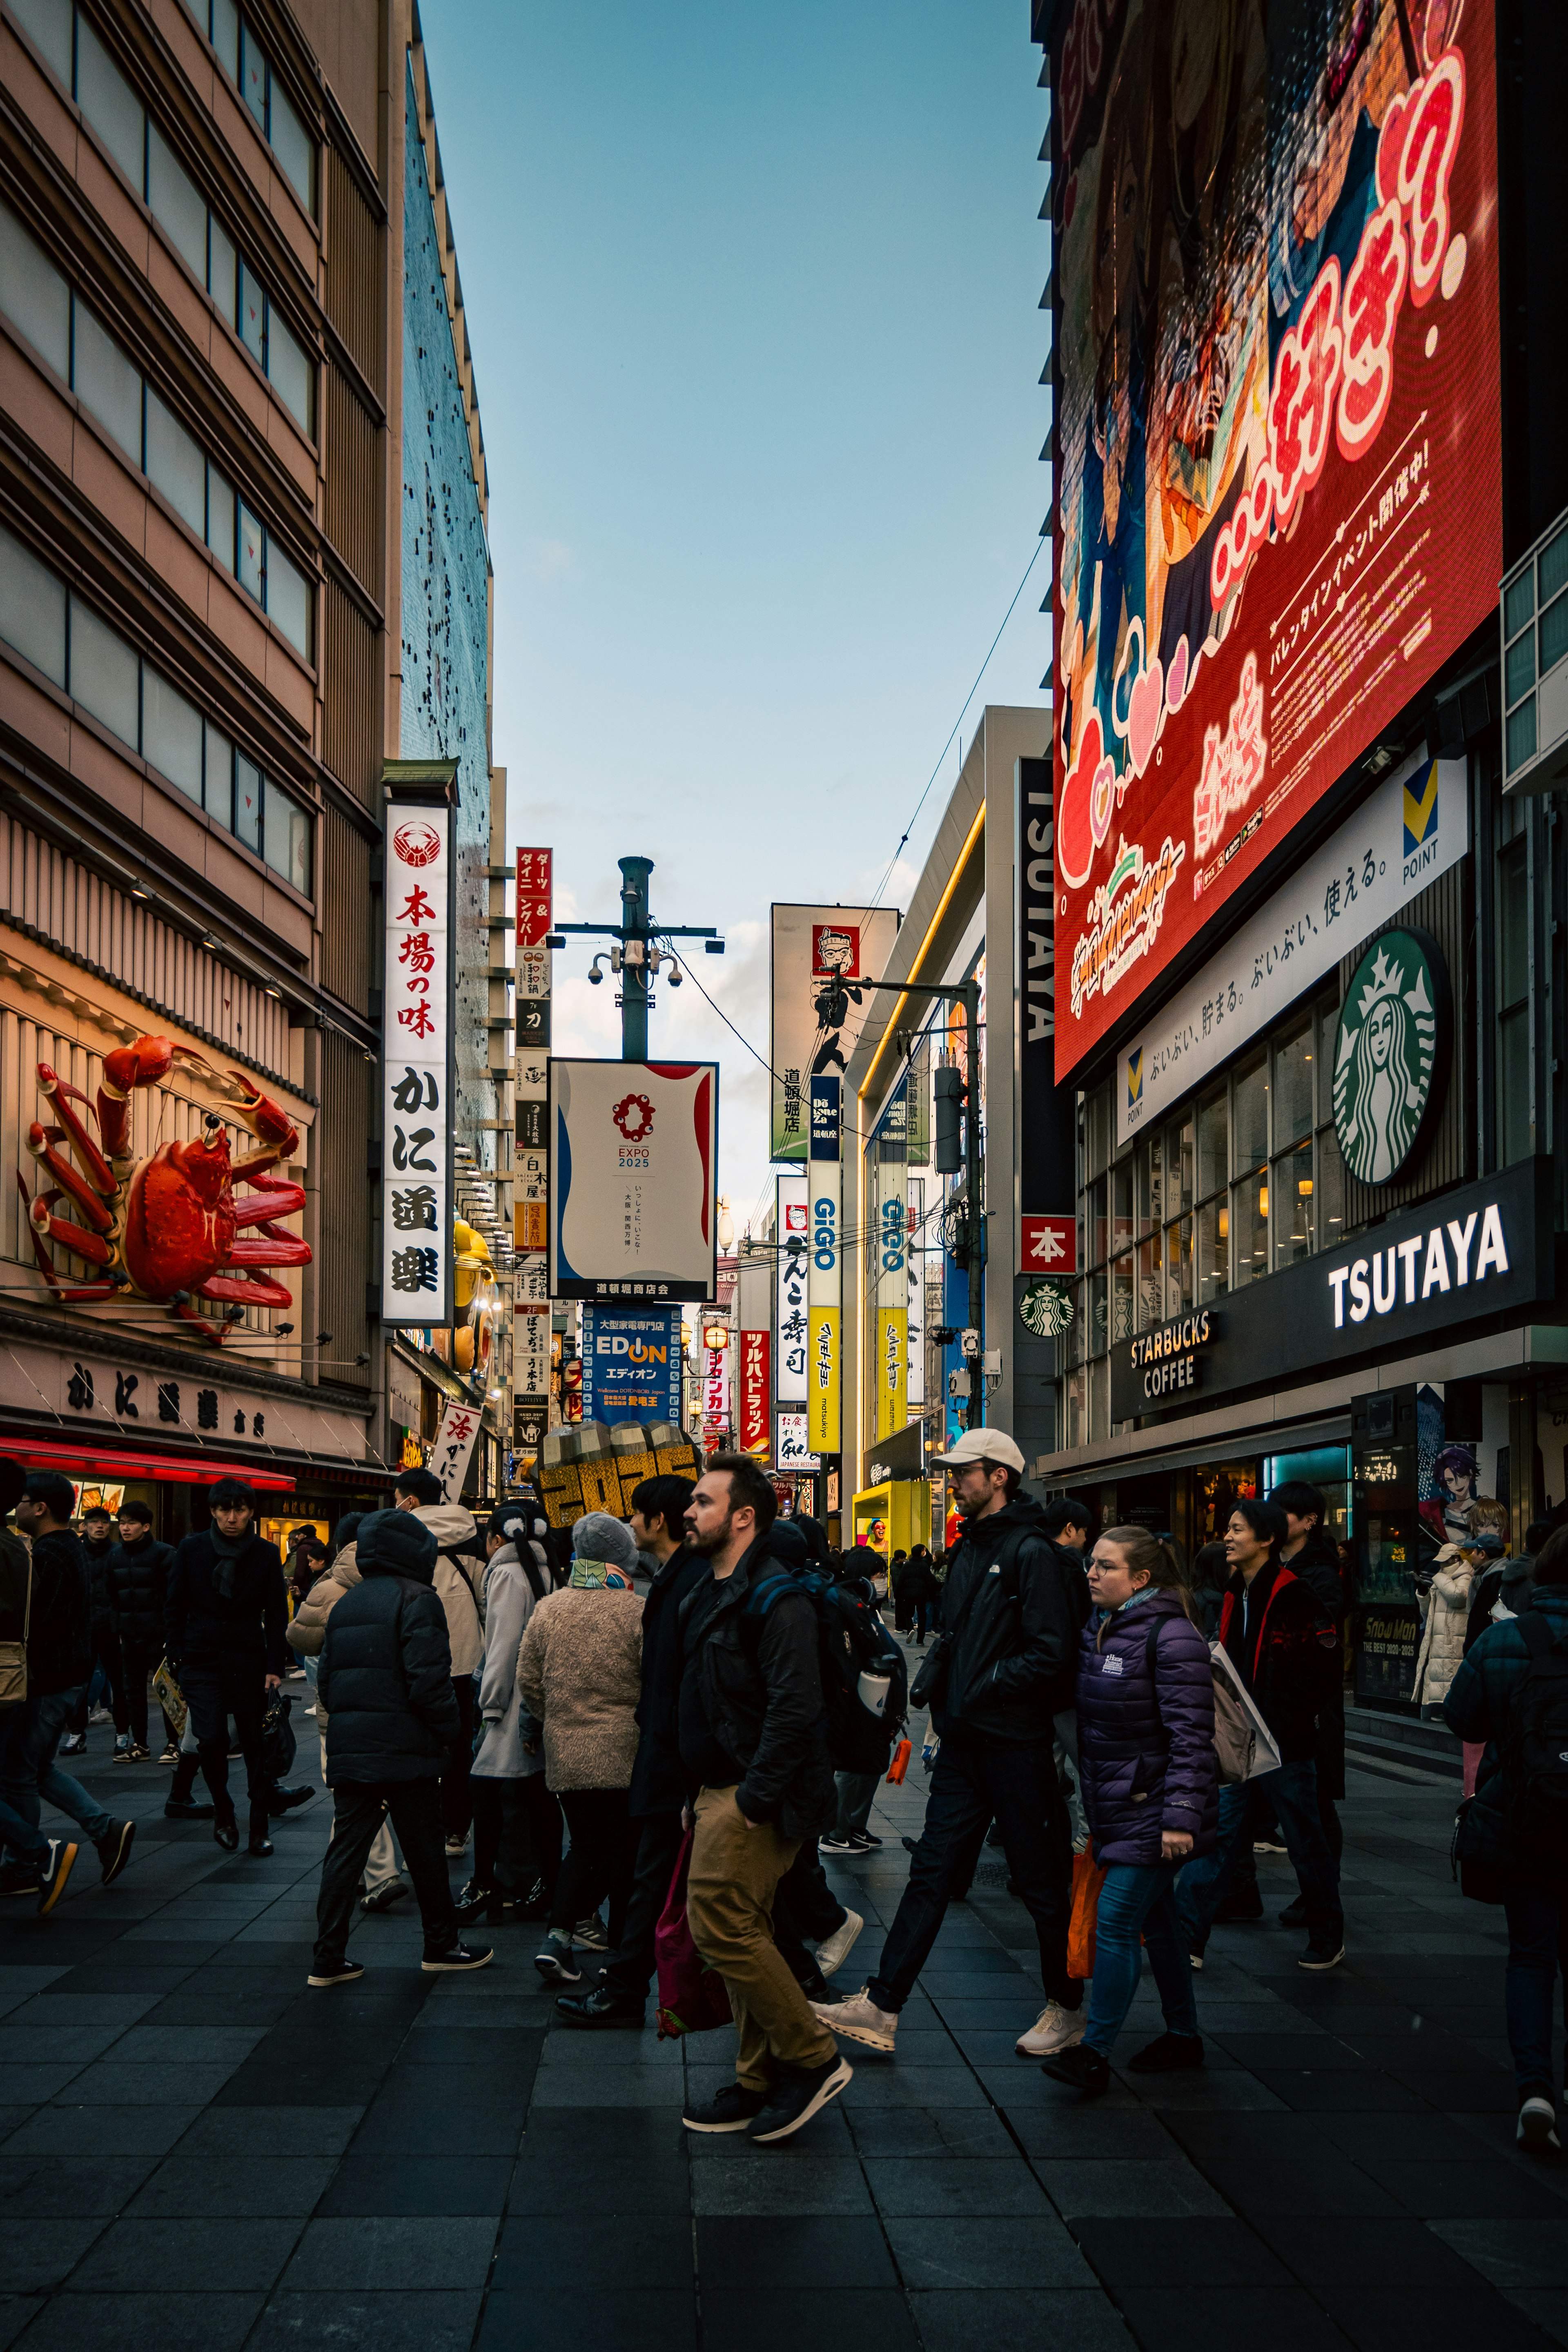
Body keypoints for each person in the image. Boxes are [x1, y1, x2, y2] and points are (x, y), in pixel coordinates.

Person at [813, 1427, 1089, 2064]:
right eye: (954, 1470)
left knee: (1042, 1882)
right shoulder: (970, 1551)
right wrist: (948, 1687)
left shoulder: (1033, 1552)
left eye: (966, 1471)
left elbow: (1054, 1652)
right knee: (931, 1874)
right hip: (967, 1744)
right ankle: (883, 2006)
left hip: (1017, 1745)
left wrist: (988, 1683)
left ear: (1000, 1477)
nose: (954, 1481)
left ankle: (1067, 2007)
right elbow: (963, 1635)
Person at [676, 1455, 852, 2144]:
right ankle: (758, 2079)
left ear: (743, 1516)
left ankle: (813, 2059)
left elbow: (794, 1707)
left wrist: (753, 1797)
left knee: (720, 1927)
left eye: (703, 1502)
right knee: (743, 1930)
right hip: (720, 1788)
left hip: (754, 1797)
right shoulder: (717, 1589)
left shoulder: (777, 1598)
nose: (690, 1512)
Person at [1043, 1526, 1218, 2096]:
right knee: (1158, 1922)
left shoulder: (1172, 1637)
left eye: (1106, 1567)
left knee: (1117, 1922)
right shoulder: (1104, 1627)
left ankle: (1092, 2054)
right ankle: (1184, 2036)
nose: (1091, 1574)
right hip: (1121, 1803)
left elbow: (1192, 1737)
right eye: (1092, 1564)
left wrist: (1179, 1818)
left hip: (1155, 1808)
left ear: (1142, 1579)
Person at [309, 1508, 491, 1986]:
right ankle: (441, 1944)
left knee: (345, 1854)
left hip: (354, 1747)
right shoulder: (418, 1599)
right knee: (426, 1851)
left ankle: (327, 1957)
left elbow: (326, 1683)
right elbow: (430, 1683)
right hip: (406, 1749)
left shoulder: (348, 1602)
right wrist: (451, 1732)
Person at [557, 1472, 701, 2027]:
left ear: (657, 1521)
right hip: (666, 1755)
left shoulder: (682, 1582)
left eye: (637, 1514)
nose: (631, 1524)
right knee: (649, 1880)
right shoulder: (673, 1581)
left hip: (673, 1758)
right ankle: (623, 1989)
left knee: (663, 1883)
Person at [1176, 1499, 1344, 1971]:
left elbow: (1325, 1667)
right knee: (1218, 1837)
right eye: (1227, 1529)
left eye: (1237, 1530)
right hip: (1240, 1744)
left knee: (1305, 1840)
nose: (1227, 1537)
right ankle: (1189, 1938)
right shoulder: (1235, 1593)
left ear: (1266, 1539)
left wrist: (1289, 1717)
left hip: (1286, 1744)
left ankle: (1328, 1934)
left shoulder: (1295, 1594)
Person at [1444, 1523, 1568, 2151]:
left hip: (1527, 1817)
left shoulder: (1504, 1639)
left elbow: (1462, 1718)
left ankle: (1535, 2089)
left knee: (1531, 1955)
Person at [519, 1510, 644, 1987]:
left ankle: (558, 1937)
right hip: (624, 1751)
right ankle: (621, 1954)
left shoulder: (550, 1608)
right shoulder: (637, 1611)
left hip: (567, 1751)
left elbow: (529, 1678)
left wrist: (555, 1718)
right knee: (626, 1855)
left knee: (586, 1845)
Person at [0, 1471, 135, 1897]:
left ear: (40, 1507)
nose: (17, 1509)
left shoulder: (48, 1553)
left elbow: (38, 1620)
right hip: (68, 1675)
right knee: (38, 1768)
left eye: (22, 1502)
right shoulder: (68, 1548)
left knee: (19, 1774)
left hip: (47, 1678)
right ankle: (104, 1829)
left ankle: (28, 1861)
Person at [286, 1511, 408, 1913]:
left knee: (351, 1791)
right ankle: (352, 1871)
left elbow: (299, 1638)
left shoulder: (331, 1586)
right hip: (394, 1705)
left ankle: (381, 1872)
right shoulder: (403, 1582)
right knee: (374, 1791)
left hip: (340, 1708)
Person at [165, 1477, 287, 1856]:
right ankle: (224, 1812)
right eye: (224, 1510)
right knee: (211, 1739)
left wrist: (274, 1664)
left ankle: (259, 1826)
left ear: (251, 1512)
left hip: (248, 1657)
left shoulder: (265, 1553)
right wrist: (177, 1656)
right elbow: (174, 1604)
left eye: (239, 1510)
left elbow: (277, 1612)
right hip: (201, 1659)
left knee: (255, 1745)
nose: (231, 1518)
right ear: (213, 1511)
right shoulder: (192, 1549)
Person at [460, 1503, 558, 1925]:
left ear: (497, 1539)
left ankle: (486, 1883)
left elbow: (501, 1648)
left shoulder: (503, 1573)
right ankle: (545, 1884)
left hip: (511, 1702)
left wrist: (490, 1703)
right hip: (542, 1700)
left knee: (487, 1793)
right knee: (539, 1796)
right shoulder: (552, 1571)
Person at [393, 1466, 486, 1857]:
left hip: (413, 1655)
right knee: (461, 1744)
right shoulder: (473, 1537)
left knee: (415, 1742)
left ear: (410, 1501)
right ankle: (456, 1829)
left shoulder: (399, 1538)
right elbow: (486, 1599)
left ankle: (422, 1828)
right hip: (465, 1657)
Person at [105, 1501, 175, 1764]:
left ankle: (173, 1744)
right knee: (132, 1691)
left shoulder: (165, 1554)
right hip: (129, 1634)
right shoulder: (115, 1555)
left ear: (146, 1527)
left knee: (166, 1690)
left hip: (160, 1635)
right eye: (122, 1523)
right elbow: (111, 1595)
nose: (125, 1528)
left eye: (131, 1523)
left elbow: (175, 1597)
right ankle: (140, 1744)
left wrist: (172, 1633)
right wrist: (117, 1629)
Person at [61, 1505, 128, 1757]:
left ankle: (123, 1733)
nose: (100, 1526)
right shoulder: (76, 1552)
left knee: (119, 1684)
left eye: (104, 1522)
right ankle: (77, 1733)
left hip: (113, 1628)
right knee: (80, 1683)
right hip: (84, 1628)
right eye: (94, 1522)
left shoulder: (119, 1552)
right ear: (85, 1526)